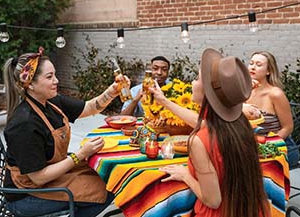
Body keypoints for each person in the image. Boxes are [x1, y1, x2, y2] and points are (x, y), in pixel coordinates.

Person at [2, 47, 129, 217]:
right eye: (49, 77)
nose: (56, 80)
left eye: (54, 74)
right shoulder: (23, 123)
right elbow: (38, 178)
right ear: (30, 84)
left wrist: (113, 91)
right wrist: (79, 155)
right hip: (26, 195)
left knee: (112, 178)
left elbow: (89, 108)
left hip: (53, 175)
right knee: (106, 191)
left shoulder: (52, 102)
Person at [152, 48, 269, 217]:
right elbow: (201, 122)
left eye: (197, 79)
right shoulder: (239, 125)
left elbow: (213, 200)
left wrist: (186, 175)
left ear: (208, 93)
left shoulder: (199, 141)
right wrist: (164, 101)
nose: (192, 82)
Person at [246, 51, 297, 167]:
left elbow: (288, 127)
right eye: (251, 63)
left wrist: (266, 145)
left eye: (258, 65)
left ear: (268, 71)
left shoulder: (275, 94)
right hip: (253, 147)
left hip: (279, 147)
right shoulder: (245, 91)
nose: (253, 67)